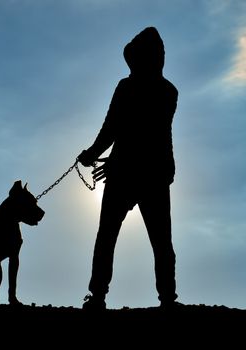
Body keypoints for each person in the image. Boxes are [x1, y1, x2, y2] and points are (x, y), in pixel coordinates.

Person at [78, 27, 178, 310]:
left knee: (109, 236)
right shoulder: (168, 91)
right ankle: (167, 299)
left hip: (130, 171)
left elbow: (121, 128)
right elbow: (144, 133)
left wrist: (94, 154)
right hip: (151, 172)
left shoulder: (132, 87)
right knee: (159, 241)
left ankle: (98, 296)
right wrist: (99, 155)